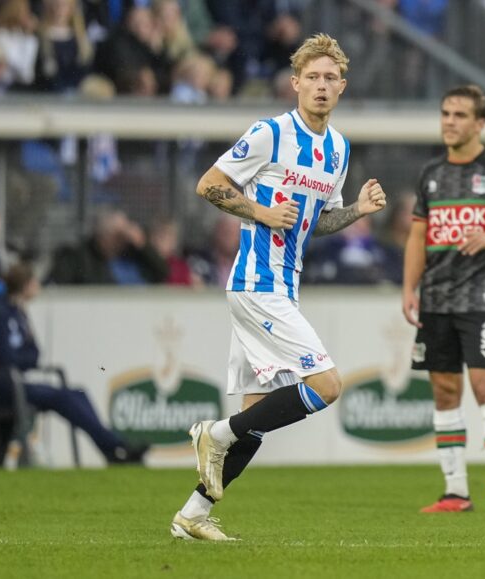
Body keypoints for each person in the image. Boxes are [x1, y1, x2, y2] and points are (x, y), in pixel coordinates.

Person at [171, 33, 387, 541]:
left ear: (342, 87)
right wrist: (262, 211)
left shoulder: (337, 148)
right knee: (327, 385)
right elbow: (208, 185)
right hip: (254, 283)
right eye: (311, 77)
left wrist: (357, 211)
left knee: (258, 420)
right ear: (295, 84)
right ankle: (214, 434)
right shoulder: (270, 133)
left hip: (284, 288)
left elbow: (318, 222)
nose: (321, 85)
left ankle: (191, 517)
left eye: (330, 78)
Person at [402, 84, 485, 513]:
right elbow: (419, 235)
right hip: (436, 300)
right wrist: (409, 289)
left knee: (484, 388)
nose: (449, 121)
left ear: (480, 123)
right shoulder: (431, 174)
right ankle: (455, 491)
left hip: (480, 299)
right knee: (444, 391)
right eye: (445, 113)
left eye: (459, 115)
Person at [0, 262, 147, 465]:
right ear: (25, 285)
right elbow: (3, 357)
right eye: (34, 282)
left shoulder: (19, 313)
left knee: (78, 393)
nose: (37, 286)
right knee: (63, 397)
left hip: (17, 382)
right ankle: (116, 446)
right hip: (1, 386)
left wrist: (22, 359)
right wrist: (23, 359)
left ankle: (112, 448)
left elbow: (34, 355)